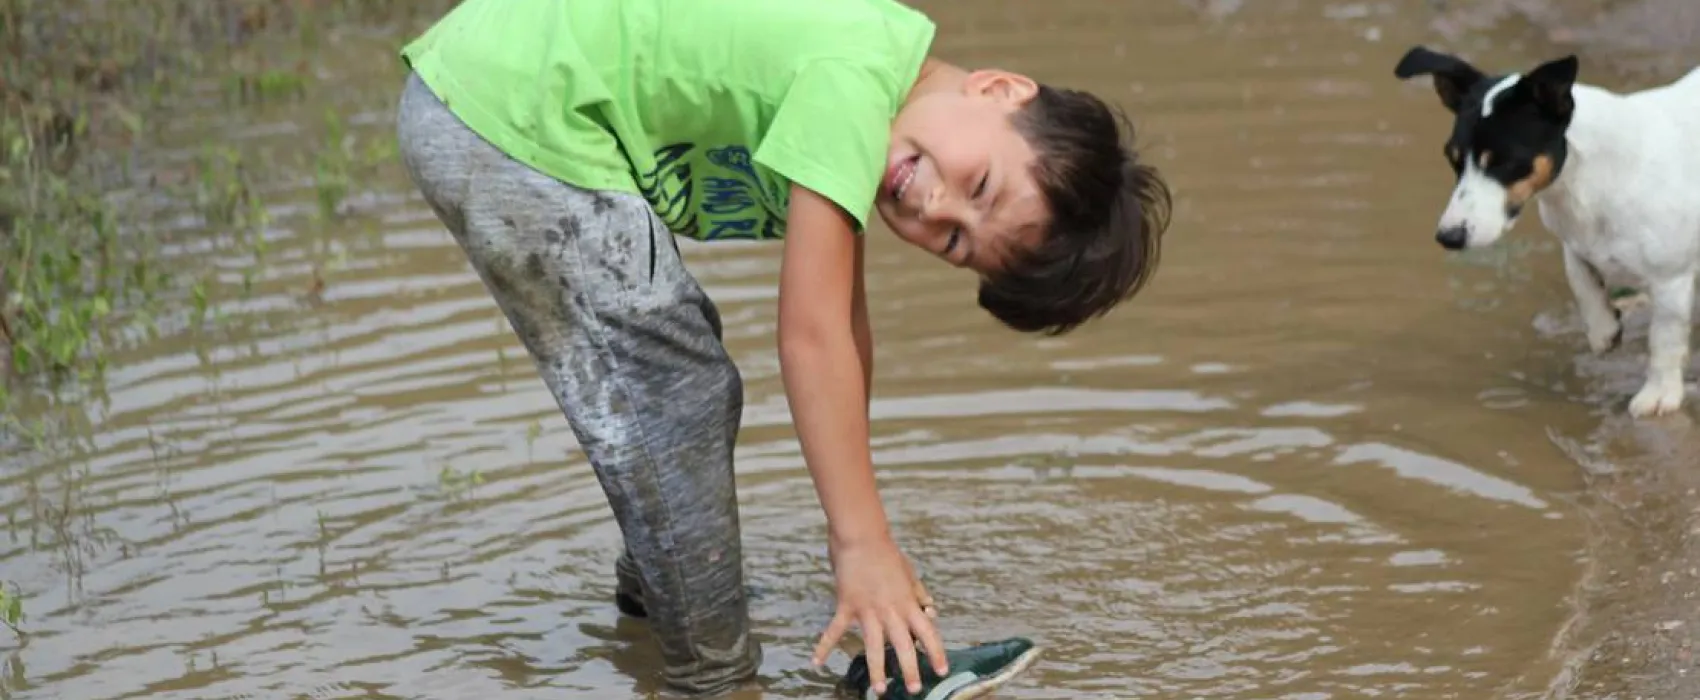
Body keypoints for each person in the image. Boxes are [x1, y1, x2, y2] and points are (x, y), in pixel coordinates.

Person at [393, 0, 1171, 696]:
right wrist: (861, 545)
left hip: (510, 94)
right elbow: (812, 333)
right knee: (678, 393)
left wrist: (874, 534)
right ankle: (717, 681)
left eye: (957, 243)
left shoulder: (878, 85)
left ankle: (667, 594)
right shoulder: (854, 79)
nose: (935, 209)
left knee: (679, 381)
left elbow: (847, 331)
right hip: (507, 109)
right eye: (983, 187)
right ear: (1000, 90)